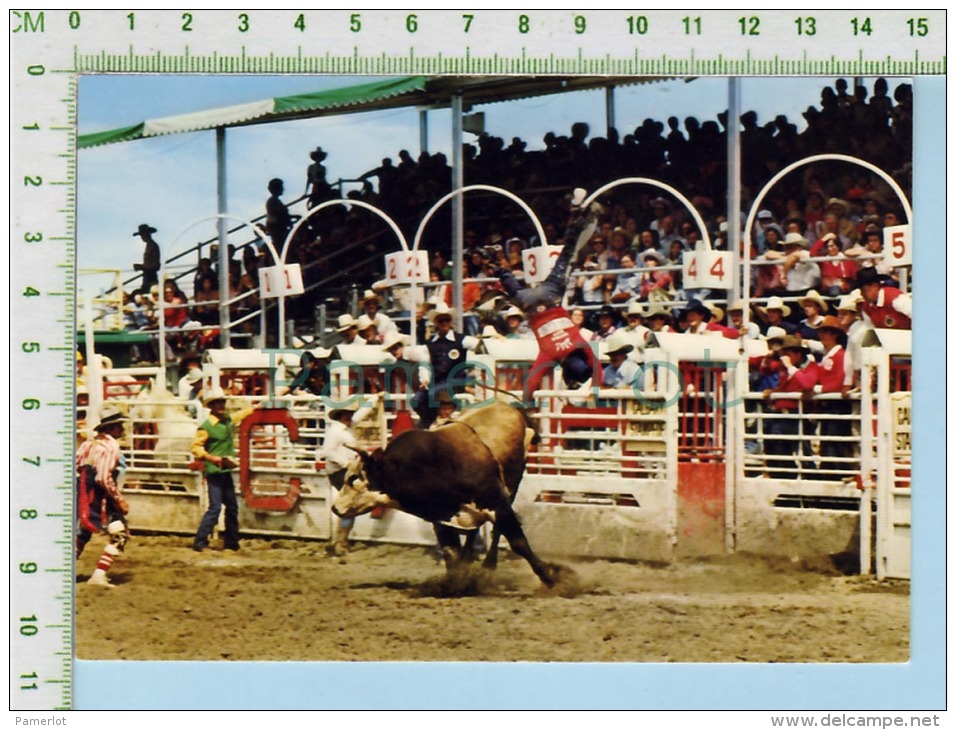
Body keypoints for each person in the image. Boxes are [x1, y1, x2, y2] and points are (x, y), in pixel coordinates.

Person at [489, 191, 603, 399]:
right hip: (530, 305)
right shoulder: (549, 355)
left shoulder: (581, 344)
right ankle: (498, 266)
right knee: (514, 291)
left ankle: (578, 216)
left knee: (567, 255)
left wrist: (597, 385)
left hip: (551, 297)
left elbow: (596, 366)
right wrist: (525, 398)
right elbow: (532, 379)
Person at [190, 388, 255, 552]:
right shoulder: (206, 427)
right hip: (214, 470)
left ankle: (231, 542)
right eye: (218, 403)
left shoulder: (225, 420)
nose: (221, 405)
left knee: (231, 506)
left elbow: (240, 415)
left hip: (224, 470)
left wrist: (255, 407)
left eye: (222, 402)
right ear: (211, 406)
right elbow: (195, 448)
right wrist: (212, 458)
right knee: (216, 507)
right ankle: (200, 542)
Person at [76, 406, 130, 588]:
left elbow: (77, 467)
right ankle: (99, 574)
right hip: (101, 497)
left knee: (83, 533)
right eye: (119, 426)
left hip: (84, 493)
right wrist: (118, 499)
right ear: (112, 428)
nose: (122, 429)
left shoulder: (87, 445)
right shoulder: (110, 447)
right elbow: (103, 477)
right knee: (120, 534)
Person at [412, 303, 479, 427]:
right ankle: (429, 420)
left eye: (446, 320)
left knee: (433, 393)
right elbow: (425, 363)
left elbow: (479, 344)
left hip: (456, 381)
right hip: (437, 382)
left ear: (450, 321)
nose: (444, 323)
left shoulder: (461, 339)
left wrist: (493, 337)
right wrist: (425, 379)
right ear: (436, 322)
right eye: (441, 320)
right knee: (416, 400)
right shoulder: (430, 343)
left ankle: (434, 422)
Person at [762, 336, 819, 479]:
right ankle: (784, 484)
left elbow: (807, 384)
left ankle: (809, 484)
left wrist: (790, 367)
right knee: (778, 452)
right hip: (781, 416)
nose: (783, 357)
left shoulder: (811, 367)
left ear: (798, 354)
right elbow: (765, 369)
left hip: (799, 416)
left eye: (787, 354)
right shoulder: (783, 367)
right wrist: (774, 391)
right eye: (783, 354)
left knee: (804, 455)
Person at [320, 401, 371, 556]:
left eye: (350, 414)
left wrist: (374, 400)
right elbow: (327, 451)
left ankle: (340, 540)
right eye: (347, 414)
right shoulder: (335, 431)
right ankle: (341, 542)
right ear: (341, 415)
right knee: (351, 504)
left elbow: (362, 414)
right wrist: (346, 462)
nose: (350, 416)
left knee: (350, 504)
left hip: (345, 471)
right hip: (339, 472)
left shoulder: (346, 427)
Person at [132, 224, 160, 295]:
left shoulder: (153, 246)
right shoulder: (150, 245)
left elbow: (156, 265)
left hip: (151, 277)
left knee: (147, 294)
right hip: (148, 277)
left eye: (143, 235)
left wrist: (141, 267)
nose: (142, 237)